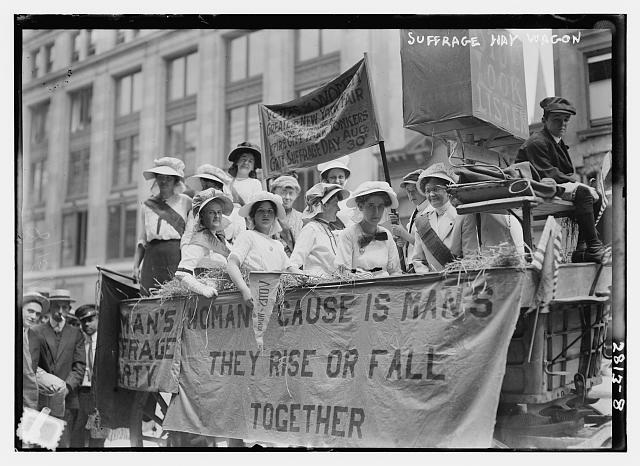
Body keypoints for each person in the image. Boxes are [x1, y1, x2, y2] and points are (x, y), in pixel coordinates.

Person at [515, 96, 608, 263]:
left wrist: (576, 183)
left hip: (548, 185)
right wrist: (577, 183)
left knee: (598, 196)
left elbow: (565, 173)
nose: (563, 124)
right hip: (534, 186)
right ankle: (594, 246)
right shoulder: (536, 142)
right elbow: (548, 173)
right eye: (557, 120)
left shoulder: (556, 141)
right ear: (544, 120)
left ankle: (582, 249)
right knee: (584, 192)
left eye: (566, 120)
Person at [28, 289, 86, 448]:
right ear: (49, 308)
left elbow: (79, 365)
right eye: (56, 307)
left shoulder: (76, 334)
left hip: (68, 400)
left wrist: (66, 387)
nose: (60, 312)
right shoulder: (36, 331)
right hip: (41, 400)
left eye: (64, 307)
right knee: (39, 445)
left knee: (62, 445)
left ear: (68, 309)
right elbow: (32, 365)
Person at [227, 192, 298, 311]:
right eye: (261, 210)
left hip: (273, 302)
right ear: (253, 215)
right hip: (253, 300)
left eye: (270, 211)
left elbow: (291, 269)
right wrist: (245, 290)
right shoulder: (248, 236)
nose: (266, 214)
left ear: (275, 216)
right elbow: (232, 264)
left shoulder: (277, 245)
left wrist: (312, 279)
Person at [133, 157, 192, 296]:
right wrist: (136, 265)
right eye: (160, 177)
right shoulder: (147, 205)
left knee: (176, 297)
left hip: (176, 256)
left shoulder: (186, 202)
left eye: (168, 178)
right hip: (152, 258)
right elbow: (143, 238)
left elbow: (190, 235)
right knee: (150, 298)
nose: (164, 181)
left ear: (176, 181)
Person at [411, 164, 479, 273]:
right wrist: (428, 278)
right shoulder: (421, 221)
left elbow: (470, 256)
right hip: (432, 285)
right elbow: (418, 260)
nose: (431, 194)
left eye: (436, 189)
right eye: (428, 191)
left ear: (449, 190)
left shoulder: (463, 216)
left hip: (458, 281)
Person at [334, 181, 402, 277]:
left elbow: (395, 271)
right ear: (361, 206)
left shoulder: (386, 234)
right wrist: (362, 277)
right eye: (371, 206)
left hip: (385, 289)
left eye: (380, 206)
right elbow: (342, 271)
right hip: (359, 289)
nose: (376, 212)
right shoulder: (348, 235)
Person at [175, 188, 234, 297]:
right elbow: (181, 274)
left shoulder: (221, 240)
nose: (216, 216)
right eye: (211, 212)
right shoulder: (198, 241)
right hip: (207, 301)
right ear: (201, 216)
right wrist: (202, 289)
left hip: (224, 295)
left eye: (219, 212)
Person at [290, 183, 350, 276]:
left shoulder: (329, 231)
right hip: (317, 287)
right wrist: (305, 278)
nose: (338, 209)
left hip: (332, 286)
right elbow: (293, 263)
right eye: (335, 203)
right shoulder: (311, 229)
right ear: (324, 205)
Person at [70, 304, 106, 448]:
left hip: (100, 393)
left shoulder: (105, 342)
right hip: (82, 392)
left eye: (90, 319)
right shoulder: (79, 342)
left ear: (98, 319)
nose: (86, 324)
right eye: (83, 321)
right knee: (78, 431)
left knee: (98, 433)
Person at [182, 164, 239, 247]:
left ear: (219, 189)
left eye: (209, 188)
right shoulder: (196, 212)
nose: (205, 192)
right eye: (203, 188)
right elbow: (188, 236)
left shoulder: (235, 213)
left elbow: (239, 242)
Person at [389, 169, 431, 272]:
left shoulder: (430, 211)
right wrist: (399, 227)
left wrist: (403, 233)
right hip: (412, 265)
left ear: (423, 189)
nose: (411, 195)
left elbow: (427, 244)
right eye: (408, 191)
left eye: (414, 190)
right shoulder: (416, 211)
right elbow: (411, 238)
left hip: (424, 267)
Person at [225, 142, 266, 243]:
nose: (246, 163)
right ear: (237, 162)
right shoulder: (227, 182)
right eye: (243, 159)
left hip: (244, 222)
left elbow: (256, 206)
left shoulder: (255, 183)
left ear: (253, 167)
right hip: (226, 222)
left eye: (250, 161)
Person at [269, 175, 304, 256]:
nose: (287, 197)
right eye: (283, 193)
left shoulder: (301, 219)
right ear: (274, 194)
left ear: (296, 195)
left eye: (291, 193)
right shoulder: (267, 217)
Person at [317, 156, 355, 228]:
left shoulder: (353, 197)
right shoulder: (320, 200)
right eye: (333, 177)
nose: (337, 181)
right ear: (326, 180)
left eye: (340, 177)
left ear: (345, 178)